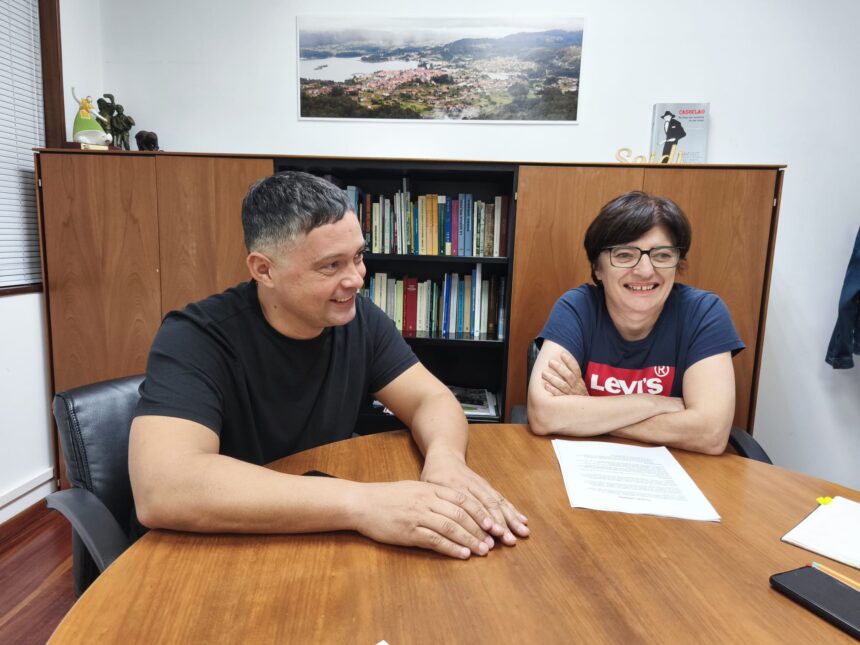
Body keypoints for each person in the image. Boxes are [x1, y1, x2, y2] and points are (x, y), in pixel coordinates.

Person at [129, 171, 529, 560]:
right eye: (331, 266)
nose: (357, 279)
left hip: (316, 541)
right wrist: (362, 504)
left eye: (358, 257)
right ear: (264, 269)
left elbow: (431, 399)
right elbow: (163, 488)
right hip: (217, 551)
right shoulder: (196, 337)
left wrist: (446, 460)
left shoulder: (359, 319)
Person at [527, 191, 744, 455]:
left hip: (679, 469)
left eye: (662, 255)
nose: (645, 270)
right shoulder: (577, 307)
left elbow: (710, 433)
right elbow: (544, 414)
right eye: (624, 255)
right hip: (584, 462)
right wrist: (653, 403)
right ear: (597, 268)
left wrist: (588, 411)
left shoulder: (704, 313)